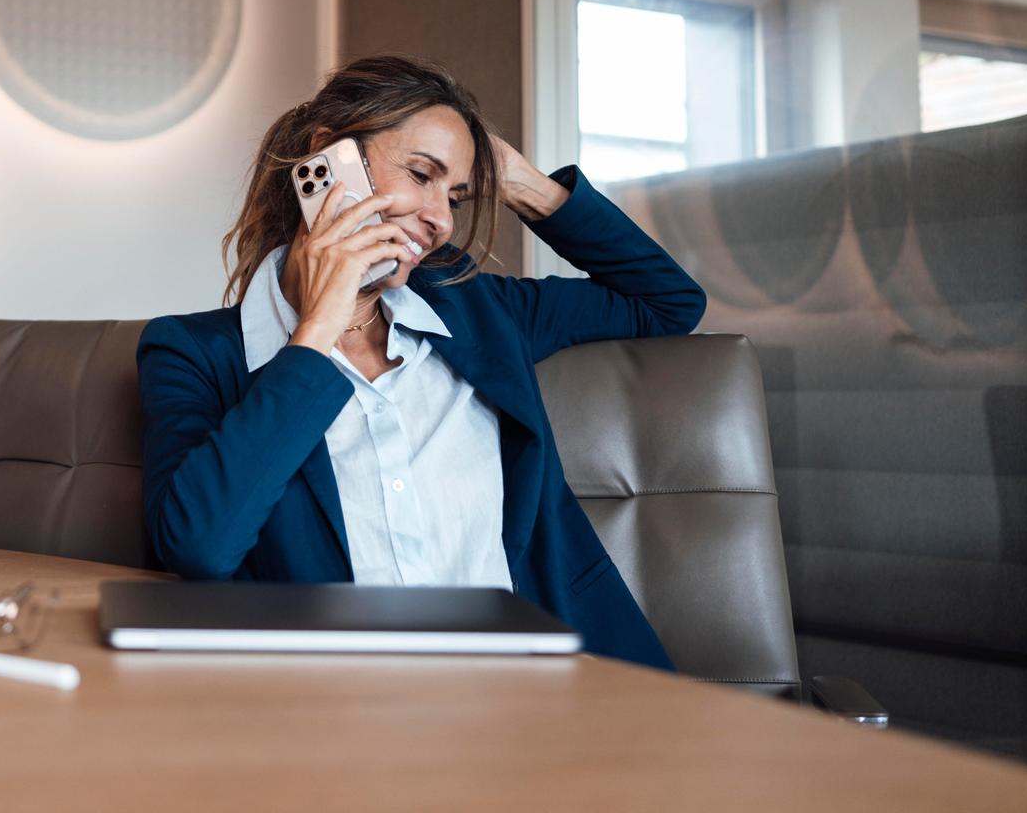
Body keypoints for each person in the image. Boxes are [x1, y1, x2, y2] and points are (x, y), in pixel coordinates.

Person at [136, 56, 706, 668]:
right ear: (327, 159)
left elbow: (667, 300)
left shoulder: (479, 310)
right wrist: (320, 325)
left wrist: (516, 179)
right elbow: (200, 546)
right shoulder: (193, 354)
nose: (441, 220)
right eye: (421, 173)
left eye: (456, 194)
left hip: (544, 686)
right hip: (335, 708)